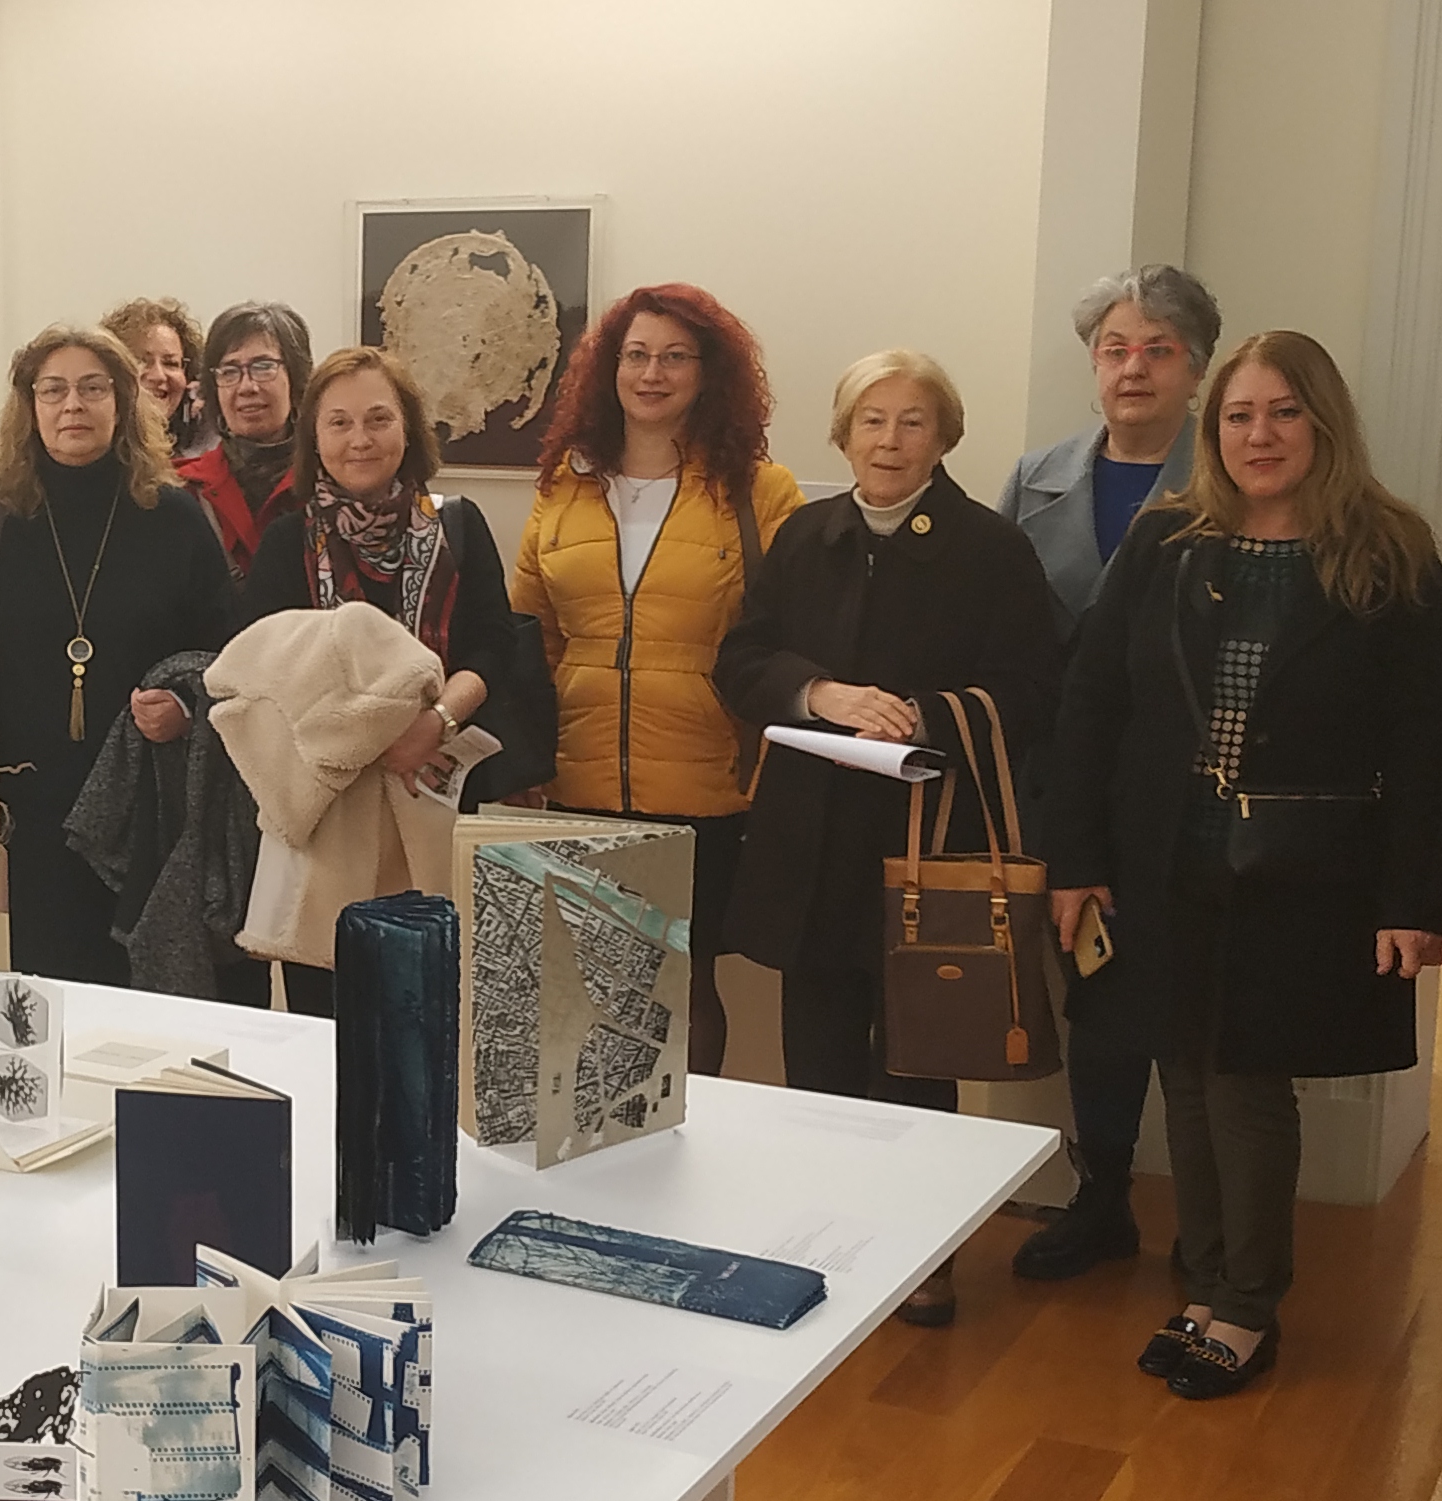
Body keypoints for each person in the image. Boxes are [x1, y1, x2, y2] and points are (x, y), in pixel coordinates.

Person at [1050, 330, 1442, 1401]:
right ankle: (1205, 1278)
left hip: (1303, 869)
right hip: (1163, 855)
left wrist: (1415, 899)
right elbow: (1094, 700)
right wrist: (1076, 859)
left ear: (1322, 422)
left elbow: (1429, 742)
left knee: (1245, 1079)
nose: (1258, 435)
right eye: (1238, 415)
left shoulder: (1390, 551)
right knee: (1180, 1069)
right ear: (1211, 429)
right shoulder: (1169, 541)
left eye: (1282, 413)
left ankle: (1245, 1303)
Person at [716, 351, 1061, 1325]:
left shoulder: (992, 550)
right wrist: (817, 691)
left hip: (925, 839)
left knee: (914, 1057)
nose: (889, 440)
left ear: (944, 437)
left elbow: (1035, 689)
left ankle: (922, 1256)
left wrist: (928, 714)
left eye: (913, 422)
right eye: (871, 420)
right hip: (807, 845)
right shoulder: (804, 533)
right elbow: (739, 659)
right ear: (843, 434)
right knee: (815, 1054)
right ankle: (823, 1241)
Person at [508, 283, 807, 1074]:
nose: (653, 373)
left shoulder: (761, 491)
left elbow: (784, 637)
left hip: (707, 784)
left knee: (686, 983)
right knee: (582, 988)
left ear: (710, 373)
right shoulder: (560, 485)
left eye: (676, 357)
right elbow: (527, 633)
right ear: (610, 368)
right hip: (575, 781)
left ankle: (688, 1155)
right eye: (636, 355)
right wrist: (523, 763)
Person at [1002, 264, 1219, 1281]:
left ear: (1196, 366)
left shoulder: (1234, 476)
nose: (1133, 369)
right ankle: (1103, 1197)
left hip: (1183, 787)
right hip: (1062, 780)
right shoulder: (1033, 476)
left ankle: (1212, 1218)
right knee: (1089, 993)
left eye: (1158, 349)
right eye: (1114, 349)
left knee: (1179, 993)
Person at [235, 342, 544, 1011]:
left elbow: (493, 645)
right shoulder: (288, 543)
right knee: (331, 1016)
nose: (359, 440)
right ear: (313, 438)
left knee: (435, 1008)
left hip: (437, 790)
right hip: (329, 810)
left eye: (378, 419)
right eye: (339, 423)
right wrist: (368, 739)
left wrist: (436, 723)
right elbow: (266, 673)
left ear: (408, 428)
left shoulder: (459, 525)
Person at [0, 322, 235, 984]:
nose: (74, 404)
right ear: (29, 405)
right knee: (53, 1003)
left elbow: (225, 654)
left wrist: (184, 706)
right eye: (54, 389)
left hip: (150, 804)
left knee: (153, 997)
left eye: (94, 387)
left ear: (125, 402)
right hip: (39, 811)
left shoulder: (176, 518)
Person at [174, 301, 312, 567]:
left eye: (263, 367)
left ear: (296, 377)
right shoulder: (183, 490)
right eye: (229, 371)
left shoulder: (329, 484)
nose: (246, 387)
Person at [103, 292, 210, 462]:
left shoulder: (200, 456)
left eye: (171, 363)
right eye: (141, 362)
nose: (159, 376)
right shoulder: (93, 452)